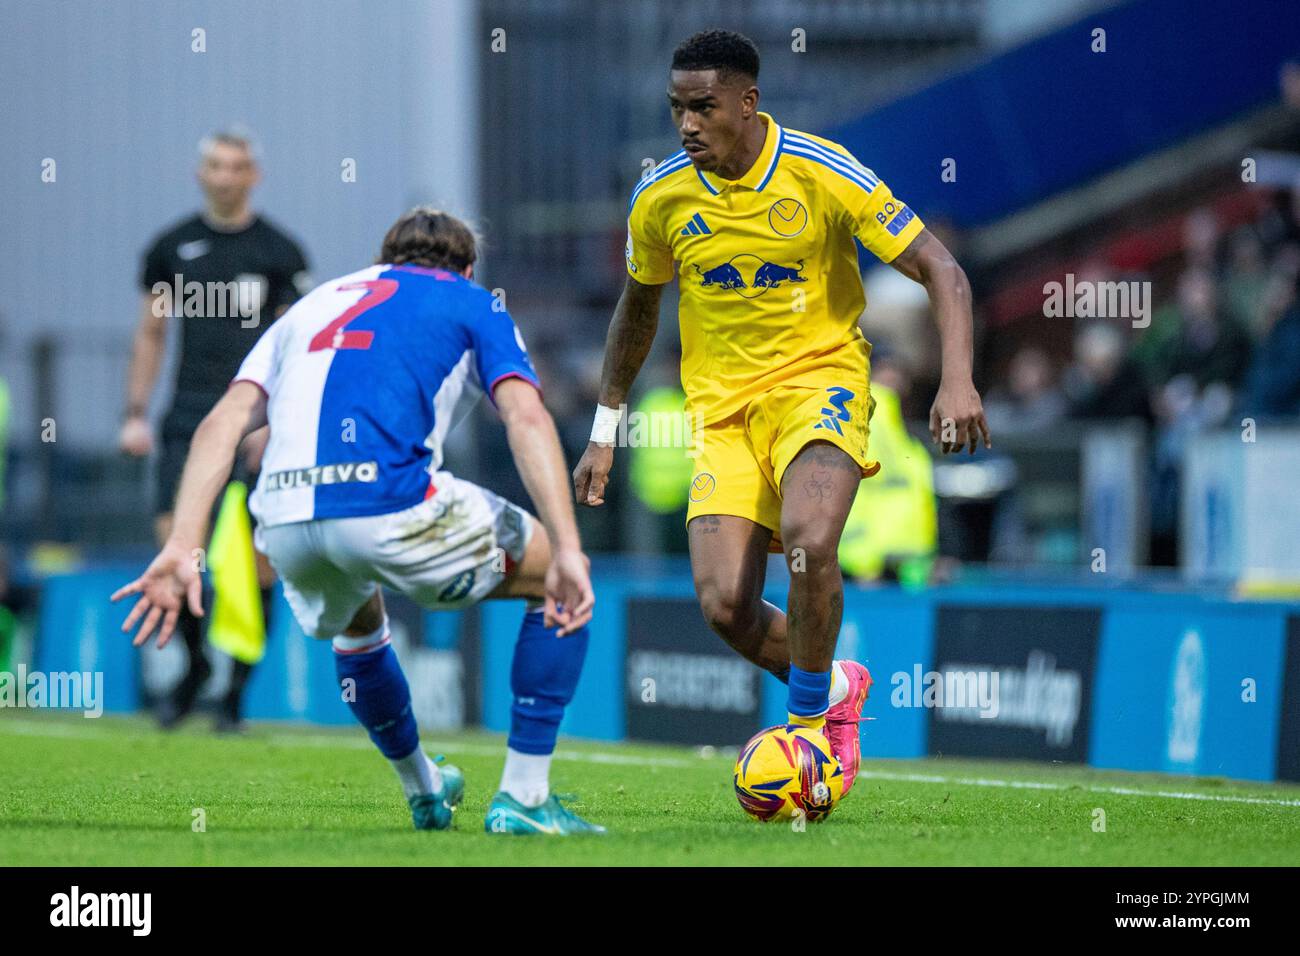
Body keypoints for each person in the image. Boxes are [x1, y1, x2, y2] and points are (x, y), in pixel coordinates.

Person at [573, 30, 989, 795]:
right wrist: (606, 429)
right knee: (723, 604)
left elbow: (941, 267)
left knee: (807, 540)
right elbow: (636, 312)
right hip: (723, 415)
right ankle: (835, 689)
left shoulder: (822, 173)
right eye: (676, 109)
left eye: (703, 107)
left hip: (819, 387)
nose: (687, 125)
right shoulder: (661, 197)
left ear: (747, 101)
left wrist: (956, 381)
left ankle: (808, 737)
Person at [113, 207, 602, 836]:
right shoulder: (474, 302)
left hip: (287, 519)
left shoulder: (312, 307)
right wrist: (567, 545)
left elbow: (221, 424)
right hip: (391, 507)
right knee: (552, 582)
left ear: (383, 260)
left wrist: (183, 544)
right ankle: (526, 798)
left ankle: (426, 787)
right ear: (467, 267)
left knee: (359, 626)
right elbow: (527, 418)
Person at [119, 128, 311, 732]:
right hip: (187, 418)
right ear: (200, 172)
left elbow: (295, 345)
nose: (225, 176)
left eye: (237, 166)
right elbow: (151, 333)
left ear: (253, 174)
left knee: (259, 563)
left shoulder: (281, 252)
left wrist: (273, 418)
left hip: (257, 421)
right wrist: (134, 413)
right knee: (177, 546)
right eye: (215, 166)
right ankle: (197, 664)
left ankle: (234, 694)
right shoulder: (172, 248)